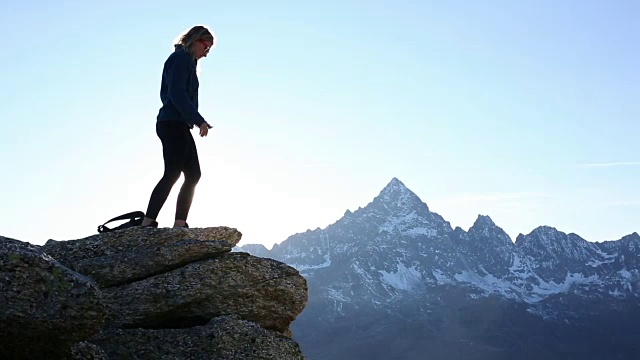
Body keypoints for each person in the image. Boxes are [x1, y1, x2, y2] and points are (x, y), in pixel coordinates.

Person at [140, 25, 215, 229]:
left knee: (193, 174)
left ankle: (179, 223)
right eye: (206, 47)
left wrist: (194, 120)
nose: (206, 53)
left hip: (179, 124)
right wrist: (198, 120)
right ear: (195, 41)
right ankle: (148, 222)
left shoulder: (187, 61)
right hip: (172, 123)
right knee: (173, 172)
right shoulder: (181, 59)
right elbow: (177, 94)